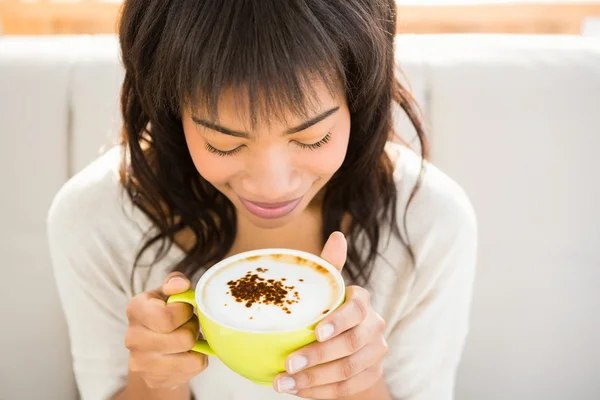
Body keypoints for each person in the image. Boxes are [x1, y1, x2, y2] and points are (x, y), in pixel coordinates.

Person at [47, 0, 477, 399]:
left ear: (359, 99)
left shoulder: (430, 222)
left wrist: (359, 384)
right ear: (170, 111)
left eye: (313, 137)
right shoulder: (95, 220)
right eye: (223, 144)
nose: (273, 186)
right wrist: (153, 379)